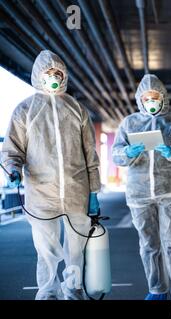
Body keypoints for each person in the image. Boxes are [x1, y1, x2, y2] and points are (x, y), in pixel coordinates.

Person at [1, 50, 101, 300]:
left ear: (64, 76)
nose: (53, 77)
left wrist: (94, 191)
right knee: (46, 248)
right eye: (48, 73)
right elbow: (12, 149)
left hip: (77, 190)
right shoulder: (25, 110)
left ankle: (73, 288)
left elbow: (91, 153)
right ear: (38, 76)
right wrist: (12, 170)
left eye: (58, 73)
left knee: (77, 247)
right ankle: (47, 292)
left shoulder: (77, 109)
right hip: (41, 194)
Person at [112, 74, 171, 300]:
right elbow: (116, 154)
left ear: (163, 98)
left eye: (155, 97)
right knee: (149, 244)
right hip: (139, 193)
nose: (151, 101)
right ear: (140, 99)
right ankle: (157, 288)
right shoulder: (129, 123)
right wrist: (127, 153)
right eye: (147, 98)